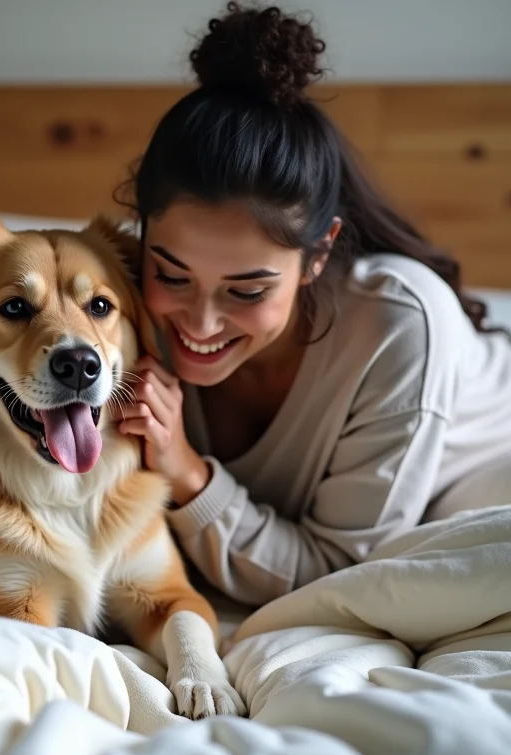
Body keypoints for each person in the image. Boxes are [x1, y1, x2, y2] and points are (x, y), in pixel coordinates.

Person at [115, 2, 511, 607]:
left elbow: (339, 573)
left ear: (320, 252)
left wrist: (187, 472)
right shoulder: (111, 301)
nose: (199, 323)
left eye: (247, 290)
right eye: (172, 275)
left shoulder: (398, 327)